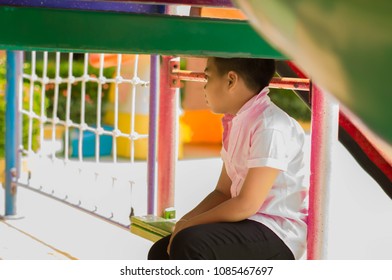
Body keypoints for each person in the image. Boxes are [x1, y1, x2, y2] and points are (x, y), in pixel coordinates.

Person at [148, 57, 309, 260]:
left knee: (189, 244)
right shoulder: (238, 121)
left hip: (278, 232)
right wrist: (183, 222)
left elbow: (247, 204)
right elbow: (222, 192)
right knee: (161, 250)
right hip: (247, 222)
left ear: (231, 80)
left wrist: (189, 226)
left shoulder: (270, 126)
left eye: (207, 77)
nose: (204, 87)